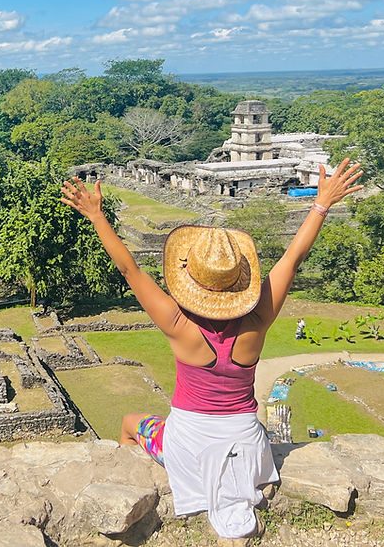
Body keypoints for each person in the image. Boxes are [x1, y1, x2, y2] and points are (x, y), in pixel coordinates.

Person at [60, 159, 363, 542]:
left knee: (131, 422)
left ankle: (127, 470)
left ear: (190, 280)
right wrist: (321, 204)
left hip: (188, 450)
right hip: (250, 451)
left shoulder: (179, 326)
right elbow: (292, 259)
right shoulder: (257, 324)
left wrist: (95, 215)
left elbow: (129, 271)